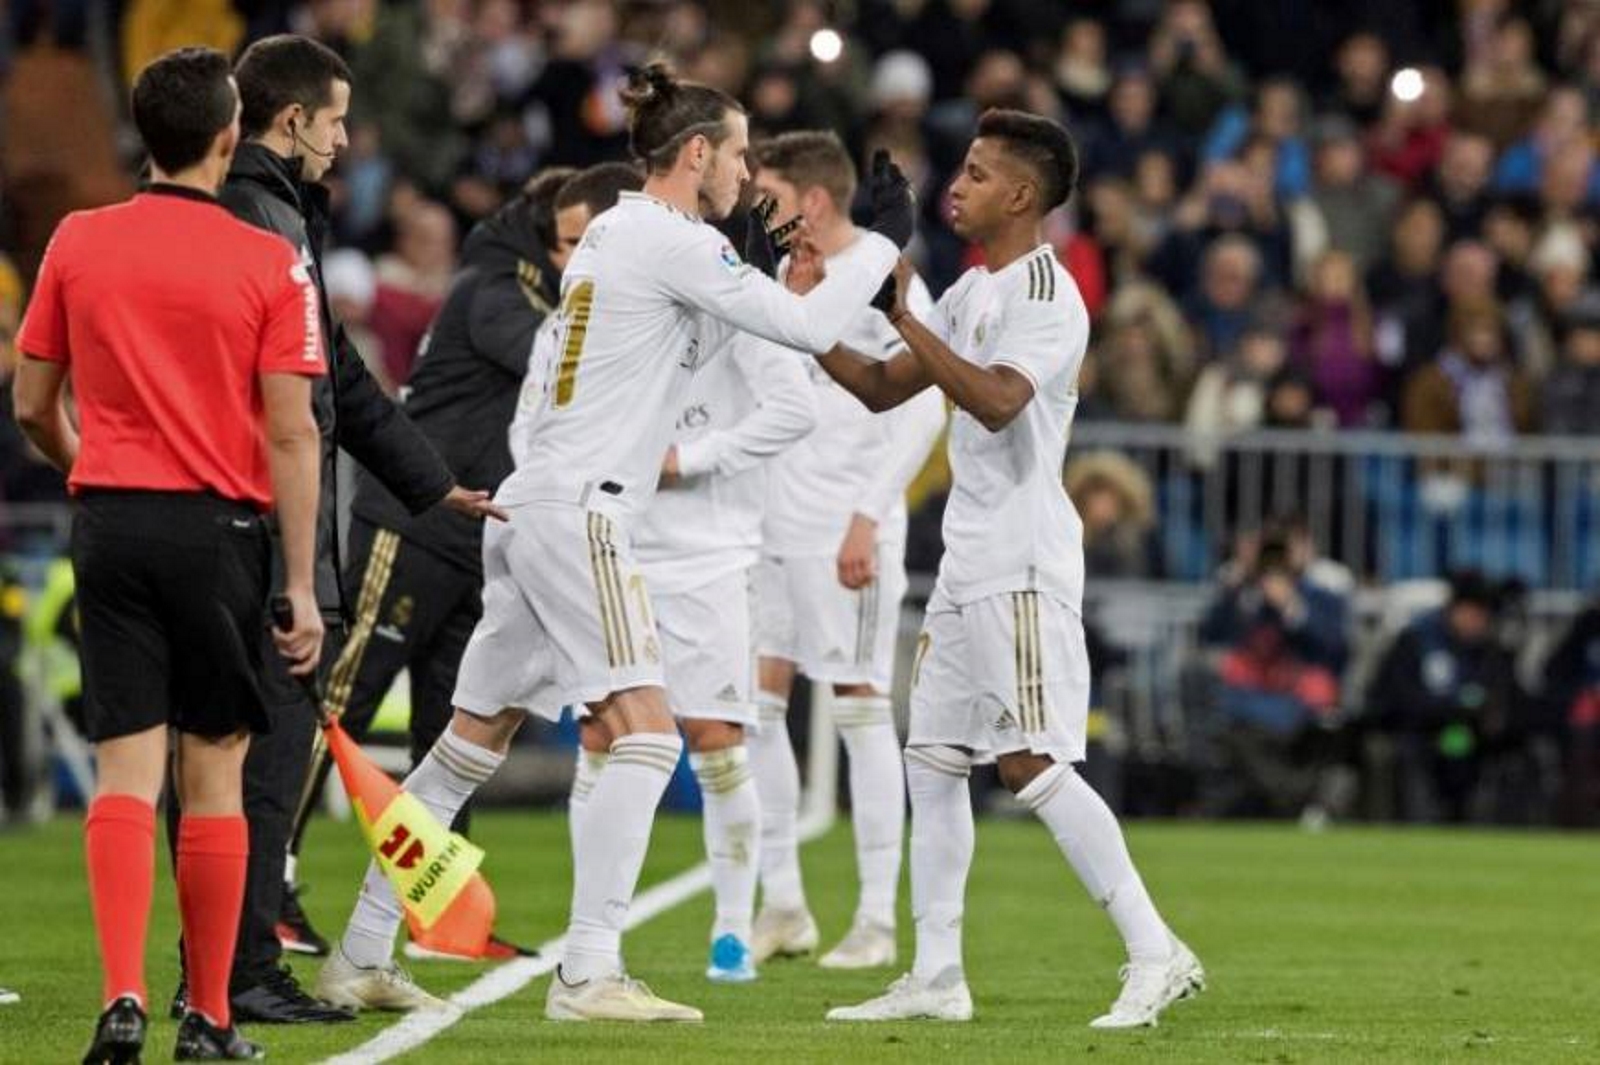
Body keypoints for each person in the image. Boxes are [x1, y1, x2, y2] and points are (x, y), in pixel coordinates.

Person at [317, 60, 913, 1022]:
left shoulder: (614, 246)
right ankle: (588, 969)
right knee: (644, 732)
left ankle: (361, 946)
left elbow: (696, 345)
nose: (746, 172)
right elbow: (803, 326)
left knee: (470, 742)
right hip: (583, 511)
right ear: (698, 153)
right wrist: (880, 243)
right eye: (740, 152)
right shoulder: (661, 234)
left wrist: (753, 269)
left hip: (533, 506)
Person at [806, 108, 1203, 1028]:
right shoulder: (973, 294)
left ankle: (1156, 949)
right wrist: (805, 314)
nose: (958, 183)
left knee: (1030, 760)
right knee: (934, 758)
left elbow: (992, 401)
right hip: (966, 565)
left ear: (1022, 195)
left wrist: (904, 309)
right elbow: (878, 388)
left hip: (1022, 564)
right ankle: (937, 973)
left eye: (979, 173)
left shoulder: (1046, 294)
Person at [12, 46, 325, 1062]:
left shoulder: (77, 239)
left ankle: (121, 1000)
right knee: (215, 775)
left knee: (122, 773)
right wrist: (298, 580)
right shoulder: (267, 260)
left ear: (143, 135)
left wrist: (85, 464)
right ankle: (211, 1017)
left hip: (109, 525)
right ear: (231, 136)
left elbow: (28, 401)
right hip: (219, 533)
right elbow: (292, 432)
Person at [196, 34, 502, 1023]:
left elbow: (344, 386)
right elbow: (307, 397)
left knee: (234, 764)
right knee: (262, 762)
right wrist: (299, 571)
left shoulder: (272, 209)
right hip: (262, 531)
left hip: (242, 523)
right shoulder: (263, 218)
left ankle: (229, 968)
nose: (342, 140)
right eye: (332, 121)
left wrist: (431, 482)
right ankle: (236, 974)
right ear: (291, 122)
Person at [281, 164, 617, 966]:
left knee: (446, 723)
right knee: (341, 698)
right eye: (574, 243)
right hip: (414, 525)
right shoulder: (494, 291)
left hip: (476, 539)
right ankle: (270, 886)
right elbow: (566, 357)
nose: (584, 258)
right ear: (546, 238)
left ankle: (434, 910)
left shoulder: (528, 288)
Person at [552, 188, 818, 982]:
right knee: (600, 735)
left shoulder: (741, 312)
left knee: (715, 740)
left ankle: (733, 931)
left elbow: (795, 408)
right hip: (619, 544)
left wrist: (688, 460)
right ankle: (591, 931)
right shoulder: (612, 315)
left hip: (710, 555)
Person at [744, 131, 946, 971]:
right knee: (758, 707)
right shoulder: (772, 276)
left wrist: (870, 513)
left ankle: (874, 918)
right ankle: (784, 900)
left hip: (845, 528)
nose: (757, 205)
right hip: (767, 526)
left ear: (813, 201)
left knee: (861, 711)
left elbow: (924, 408)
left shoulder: (887, 276)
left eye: (769, 192)